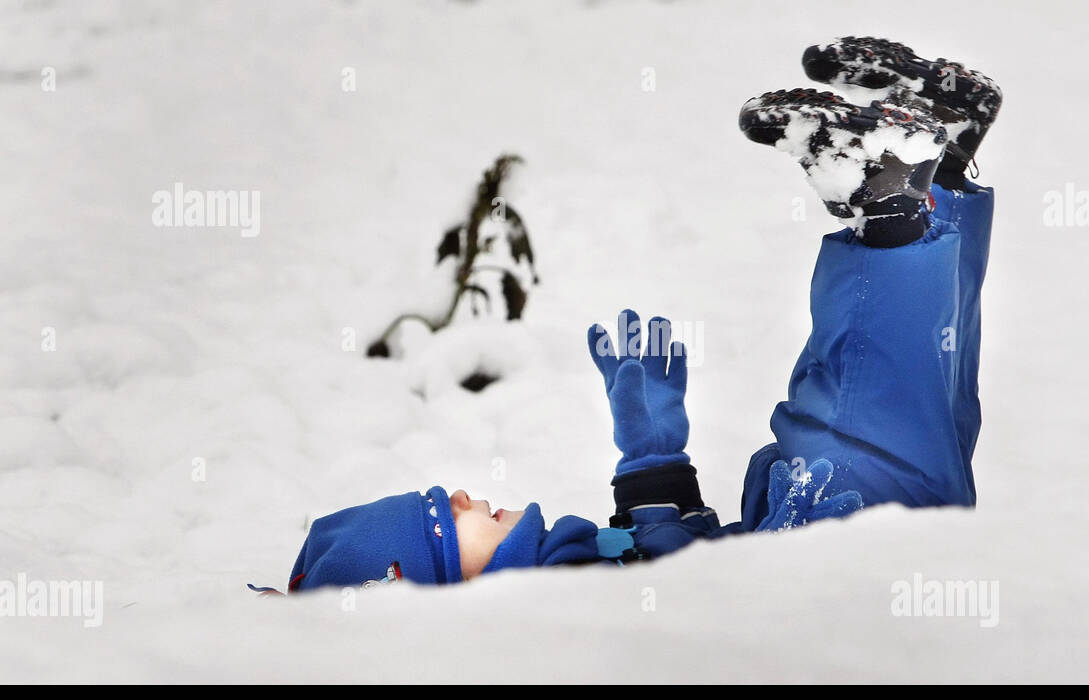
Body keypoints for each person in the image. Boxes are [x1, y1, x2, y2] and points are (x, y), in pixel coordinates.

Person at [255, 36, 1001, 593]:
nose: (453, 494)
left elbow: (682, 575)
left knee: (917, 407)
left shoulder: (564, 578)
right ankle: (892, 194)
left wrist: (652, 463)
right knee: (856, 426)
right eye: (437, 520)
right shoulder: (546, 626)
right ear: (409, 583)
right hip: (840, 563)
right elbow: (697, 613)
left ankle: (938, 168)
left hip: (821, 557)